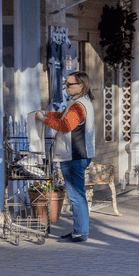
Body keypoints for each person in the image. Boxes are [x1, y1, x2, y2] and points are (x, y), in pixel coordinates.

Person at [38, 71, 95, 243]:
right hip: (78, 154)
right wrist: (46, 114)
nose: (66, 87)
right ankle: (80, 231)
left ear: (81, 86)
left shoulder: (78, 106)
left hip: (74, 155)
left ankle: (80, 233)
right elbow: (63, 117)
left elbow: (65, 125)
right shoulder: (80, 103)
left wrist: (44, 119)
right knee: (78, 195)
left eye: (70, 84)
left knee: (76, 196)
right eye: (66, 84)